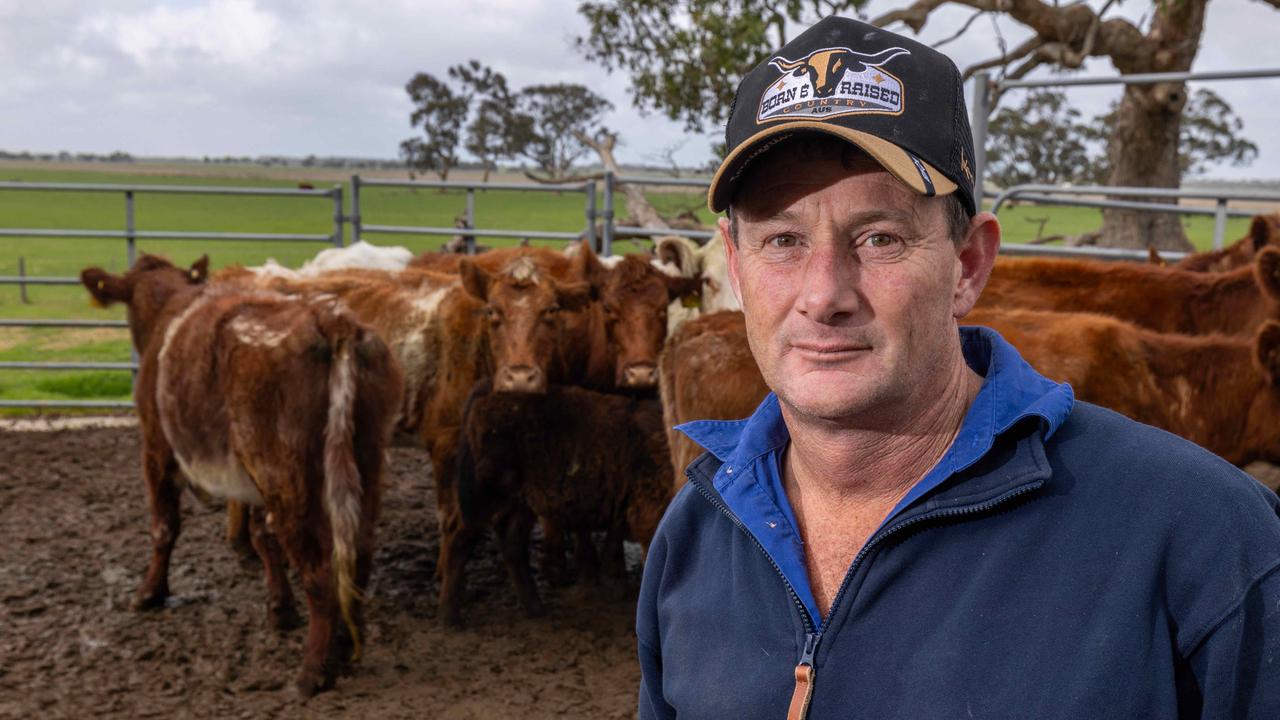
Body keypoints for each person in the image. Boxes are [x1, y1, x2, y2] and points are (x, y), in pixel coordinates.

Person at [636, 16, 1280, 719]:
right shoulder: (697, 533)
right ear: (735, 266)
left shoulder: (1200, 534)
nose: (824, 295)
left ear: (968, 265)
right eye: (782, 240)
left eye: (879, 237)